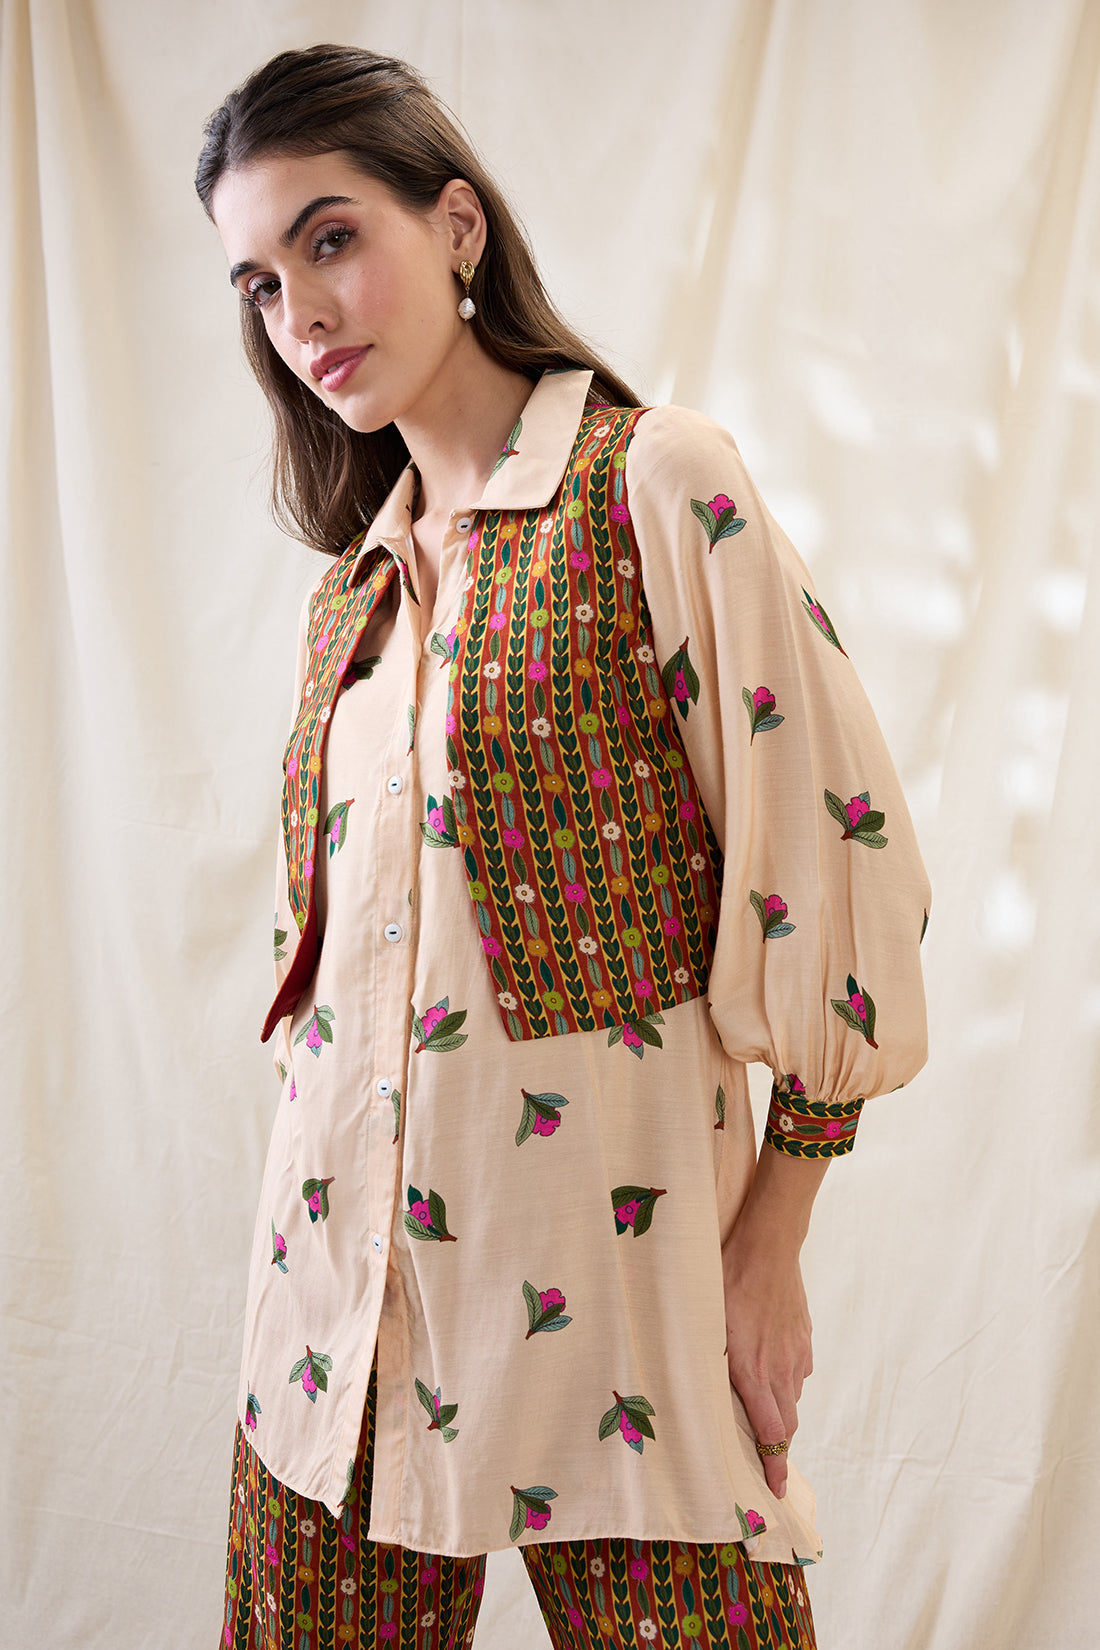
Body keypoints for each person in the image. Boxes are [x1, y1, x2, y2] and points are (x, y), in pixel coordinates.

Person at [196, 43, 930, 1650]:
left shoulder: (656, 485)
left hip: (625, 1319)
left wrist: (773, 1242)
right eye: (258, 282)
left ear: (457, 225)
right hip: (334, 1340)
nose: (299, 312)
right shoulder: (353, 600)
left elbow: (839, 864)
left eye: (332, 239)